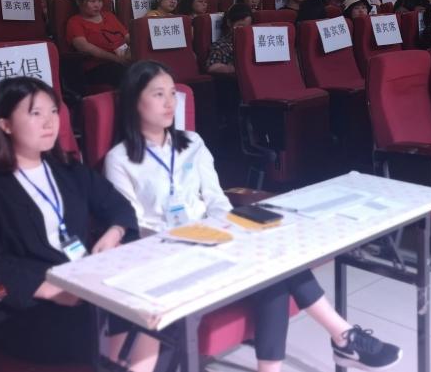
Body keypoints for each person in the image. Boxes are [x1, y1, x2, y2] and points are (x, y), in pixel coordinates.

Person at [104, 62, 403, 372]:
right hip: (168, 255)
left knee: (276, 262)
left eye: (172, 93)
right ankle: (343, 338)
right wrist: (185, 239)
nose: (170, 103)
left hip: (214, 238)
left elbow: (216, 197)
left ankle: (339, 338)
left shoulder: (191, 143)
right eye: (158, 94)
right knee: (276, 273)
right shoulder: (119, 160)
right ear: (134, 101)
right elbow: (131, 223)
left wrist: (226, 228)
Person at [0, 77, 164, 370]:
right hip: (27, 307)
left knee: (151, 310)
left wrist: (114, 233)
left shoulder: (67, 168)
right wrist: (50, 288)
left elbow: (119, 207)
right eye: (36, 113)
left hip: (85, 286)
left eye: (53, 111)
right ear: (5, 125)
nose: (50, 122)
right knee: (130, 321)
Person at [66, 0, 129, 87]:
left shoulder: (109, 16)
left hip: (123, 58)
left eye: (99, 1)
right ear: (78, 1)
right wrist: (116, 59)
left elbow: (127, 36)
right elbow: (83, 46)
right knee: (123, 72)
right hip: (97, 67)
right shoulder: (75, 22)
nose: (97, 5)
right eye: (92, 1)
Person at [206, 4, 252, 74]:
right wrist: (232, 68)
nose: (244, 31)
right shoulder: (221, 45)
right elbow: (212, 67)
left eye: (247, 27)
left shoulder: (253, 43)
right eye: (240, 26)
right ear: (229, 23)